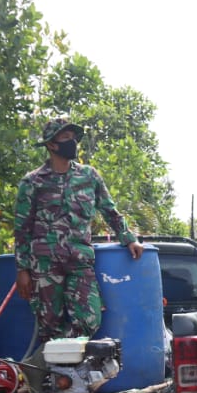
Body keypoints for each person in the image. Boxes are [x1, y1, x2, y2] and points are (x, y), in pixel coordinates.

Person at [13, 117, 142, 345]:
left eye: (73, 138)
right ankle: (57, 375)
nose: (72, 142)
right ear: (52, 144)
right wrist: (22, 269)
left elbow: (109, 210)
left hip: (80, 261)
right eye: (66, 138)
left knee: (90, 319)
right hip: (45, 265)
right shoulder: (32, 182)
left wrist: (128, 238)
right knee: (49, 322)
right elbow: (22, 228)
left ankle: (57, 352)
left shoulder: (89, 176)